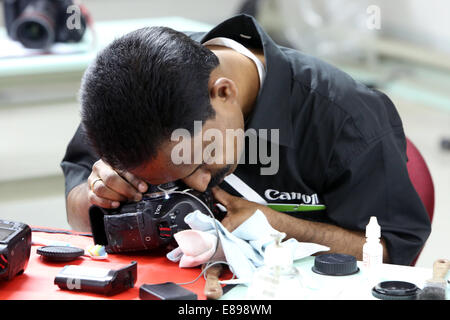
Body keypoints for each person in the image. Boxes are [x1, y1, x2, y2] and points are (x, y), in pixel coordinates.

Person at [61, 14, 431, 266]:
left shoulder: (346, 119)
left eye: (204, 159)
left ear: (224, 93)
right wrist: (98, 196)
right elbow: (80, 212)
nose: (201, 181)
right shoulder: (131, 91)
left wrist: (281, 226)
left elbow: (391, 257)